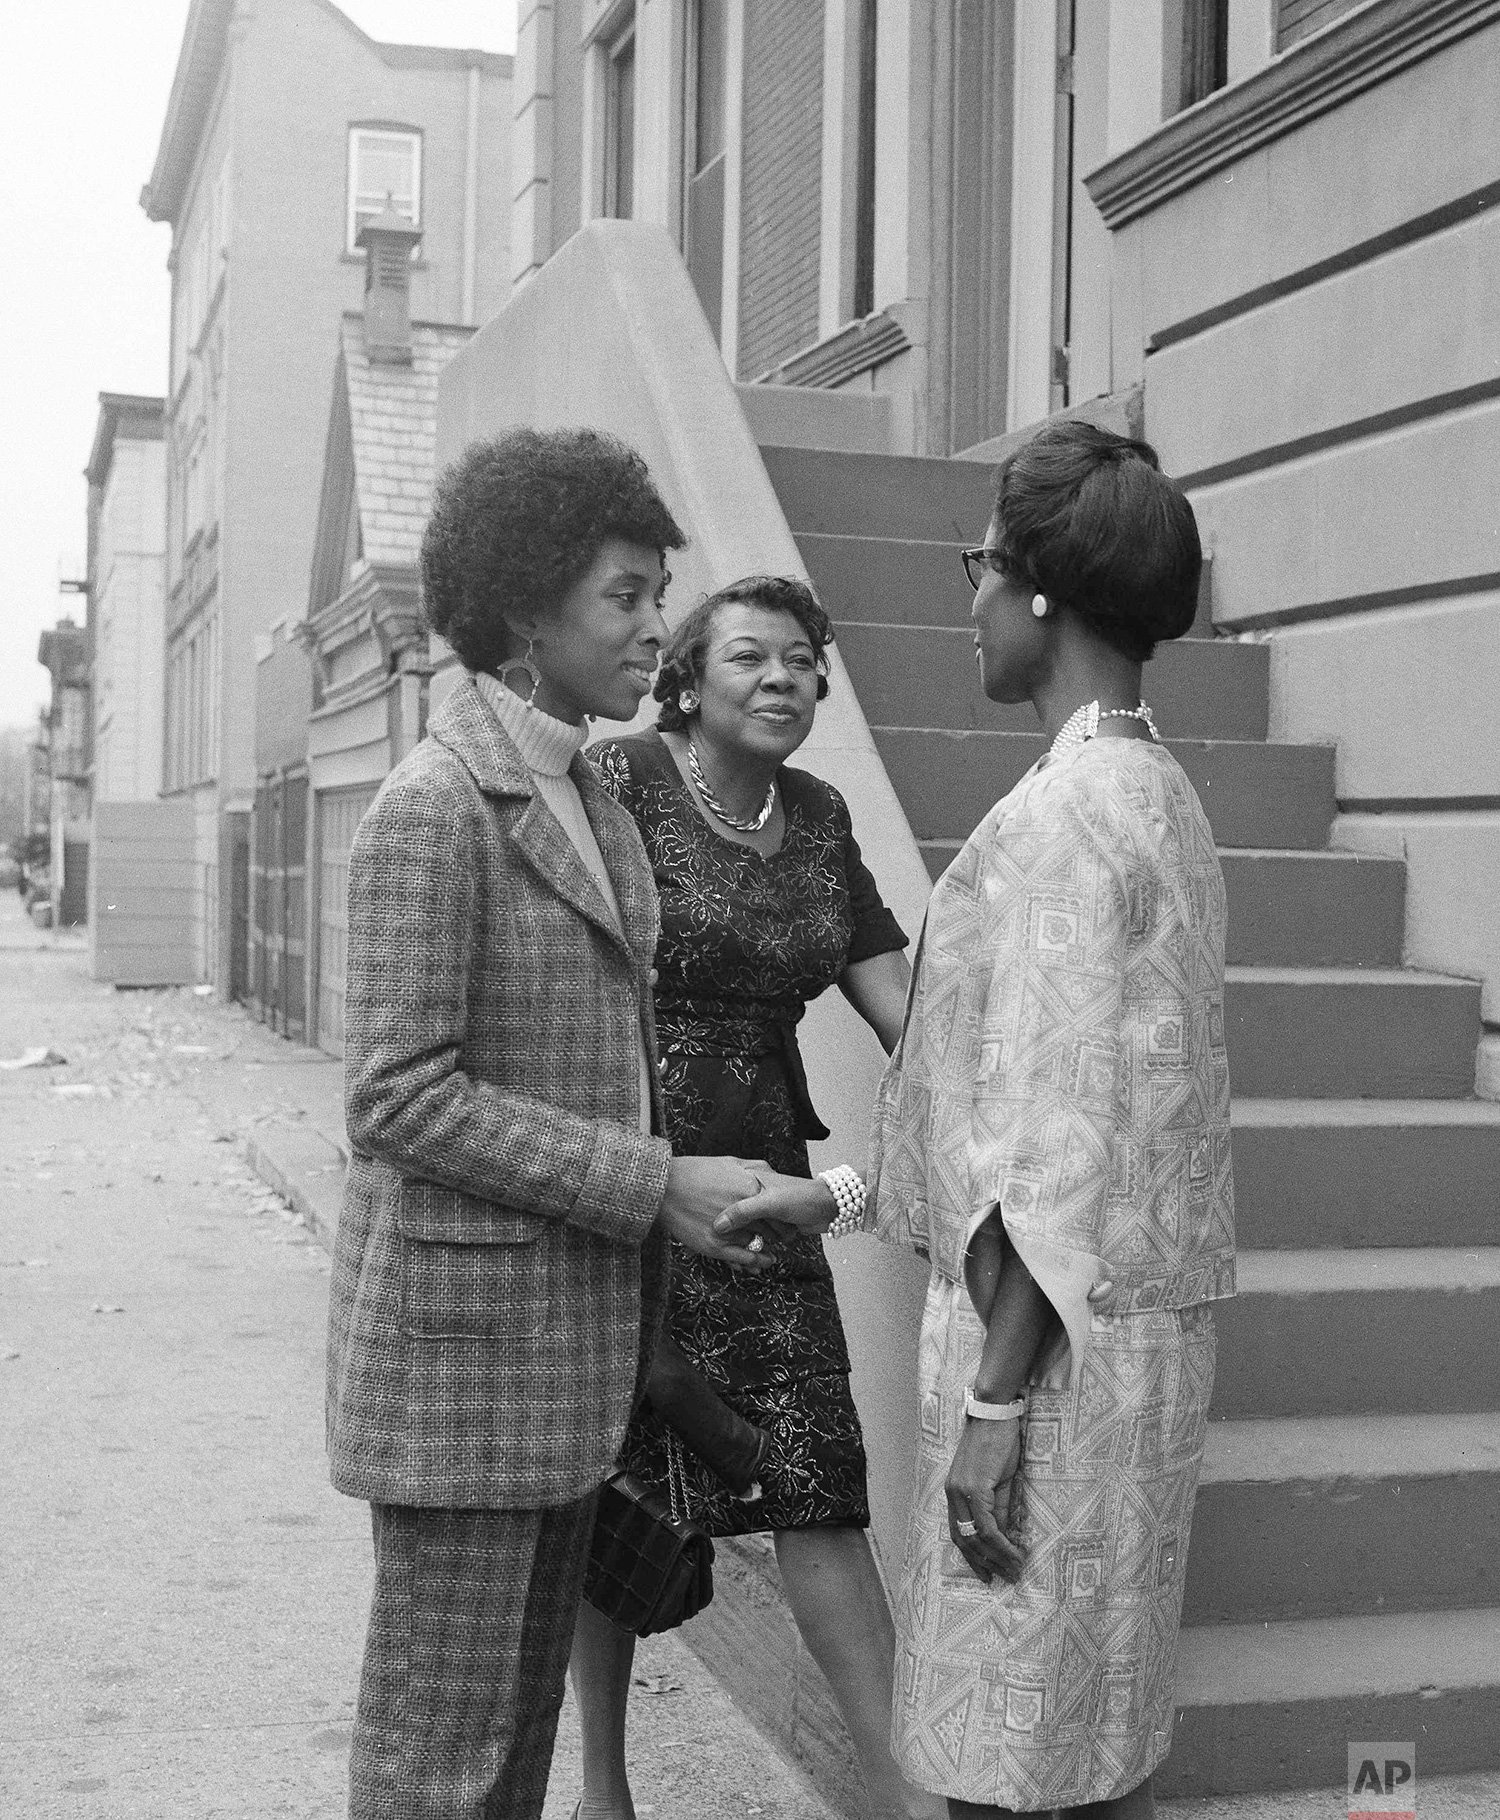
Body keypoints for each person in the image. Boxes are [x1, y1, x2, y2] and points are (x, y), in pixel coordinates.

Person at [720, 422, 1237, 1816]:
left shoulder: (1067, 815)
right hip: (1136, 1353)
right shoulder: (1164, 797)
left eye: (982, 569)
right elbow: (1025, 1111)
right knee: (1087, 1741)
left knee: (1006, 1767)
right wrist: (830, 1199)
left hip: (1051, 1370)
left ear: (1043, 592)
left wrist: (996, 1409)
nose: (971, 603)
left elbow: (1056, 1151)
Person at [324, 428, 775, 1820]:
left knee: (511, 1762)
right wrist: (653, 1185)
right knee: (437, 1773)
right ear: (526, 610)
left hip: (562, 1374)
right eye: (626, 599)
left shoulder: (588, 788)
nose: (660, 631)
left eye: (658, 596)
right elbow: (397, 1097)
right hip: (459, 1387)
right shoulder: (433, 805)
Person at [575, 576, 943, 1820]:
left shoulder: (825, 819)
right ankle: (605, 1786)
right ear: (687, 678)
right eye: (752, 656)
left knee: (818, 1489)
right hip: (635, 1187)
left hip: (768, 1202)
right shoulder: (619, 783)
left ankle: (903, 1799)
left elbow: (915, 1021)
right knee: (616, 1495)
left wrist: (862, 1174)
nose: (785, 676)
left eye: (805, 659)